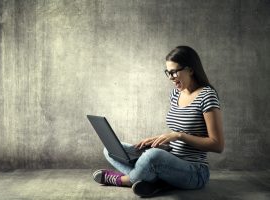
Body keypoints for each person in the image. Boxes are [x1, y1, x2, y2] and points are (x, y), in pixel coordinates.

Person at [92, 46, 224, 197]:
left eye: (174, 72)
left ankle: (125, 180)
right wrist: (159, 141)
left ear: (190, 70)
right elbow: (178, 134)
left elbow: (217, 145)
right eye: (168, 72)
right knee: (111, 149)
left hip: (195, 171)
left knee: (152, 156)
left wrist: (179, 135)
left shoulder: (207, 96)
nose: (170, 77)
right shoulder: (175, 94)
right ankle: (151, 180)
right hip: (169, 161)